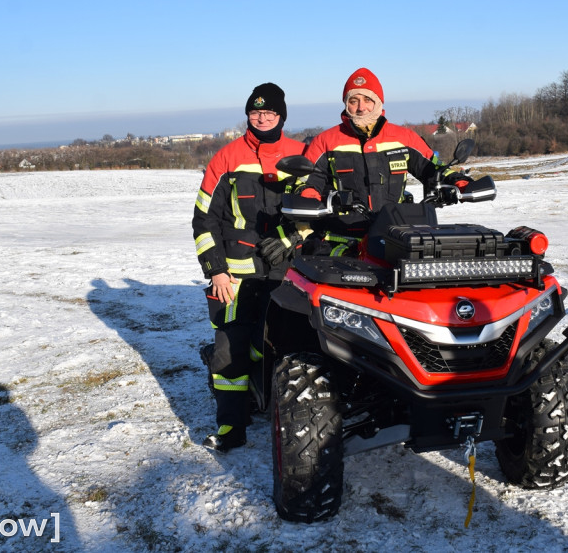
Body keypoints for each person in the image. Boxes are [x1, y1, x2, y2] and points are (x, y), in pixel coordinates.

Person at [192, 82, 305, 451]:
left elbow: (317, 213)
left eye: (269, 112)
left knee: (279, 343)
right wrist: (216, 271)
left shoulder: (302, 155)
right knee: (229, 351)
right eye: (255, 112)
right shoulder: (225, 158)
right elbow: (203, 220)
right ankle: (231, 428)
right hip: (235, 276)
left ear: (281, 117)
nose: (261, 117)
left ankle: (274, 408)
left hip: (287, 272)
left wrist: (293, 240)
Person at [300, 67, 472, 255]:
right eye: (353, 100)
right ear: (346, 104)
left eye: (368, 99)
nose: (361, 107)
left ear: (379, 102)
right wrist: (312, 199)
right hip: (343, 240)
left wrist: (458, 182)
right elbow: (306, 182)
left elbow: (433, 168)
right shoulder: (326, 141)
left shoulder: (404, 138)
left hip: (396, 236)